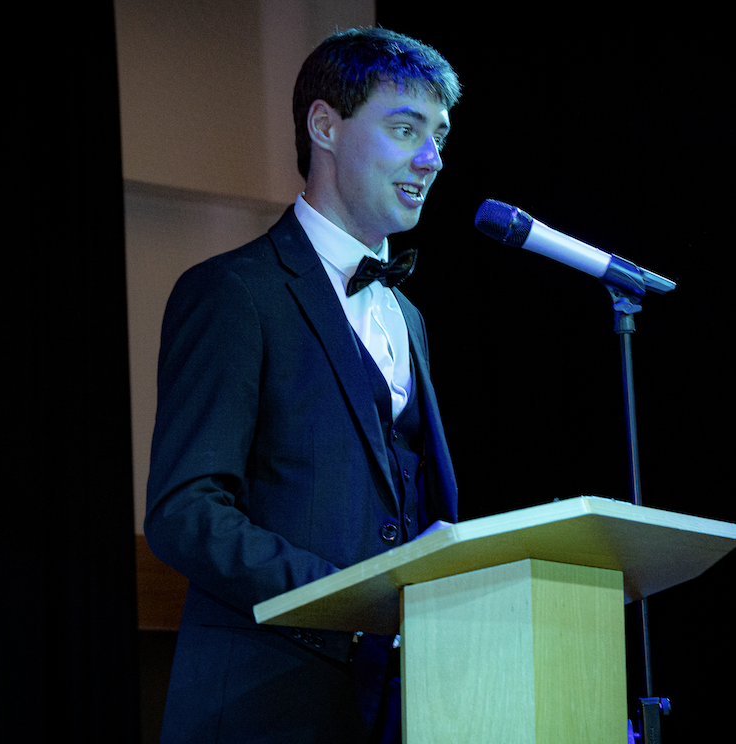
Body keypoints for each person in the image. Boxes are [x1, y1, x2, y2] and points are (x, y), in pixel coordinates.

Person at [144, 27, 461, 744]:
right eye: (405, 128)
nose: (432, 158)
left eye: (439, 135)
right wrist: (351, 601)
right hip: (266, 701)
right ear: (325, 125)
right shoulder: (233, 292)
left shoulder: (406, 316)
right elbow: (184, 512)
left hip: (402, 708)